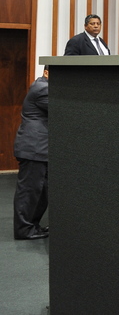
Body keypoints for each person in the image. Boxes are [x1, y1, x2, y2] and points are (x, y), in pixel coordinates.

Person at [13, 66, 50, 240]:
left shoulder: (42, 86)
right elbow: (64, 109)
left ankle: (32, 226)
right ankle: (24, 230)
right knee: (29, 191)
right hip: (34, 147)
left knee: (40, 192)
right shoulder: (43, 88)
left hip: (39, 148)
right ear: (46, 73)